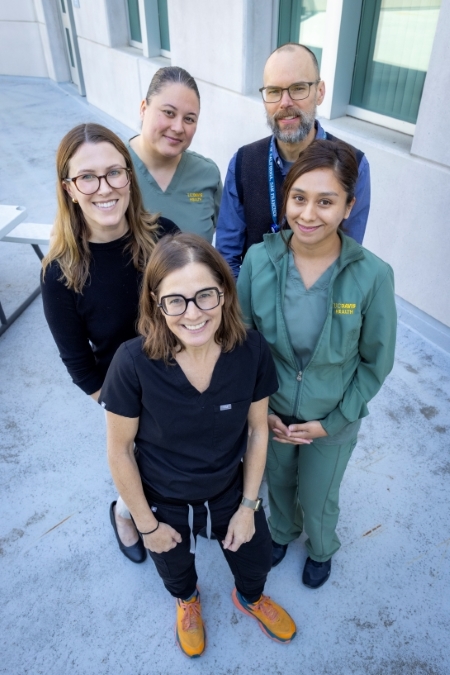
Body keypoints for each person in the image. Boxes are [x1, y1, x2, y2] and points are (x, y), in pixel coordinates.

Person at [99, 233, 296, 658]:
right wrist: (146, 525)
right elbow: (119, 451)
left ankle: (250, 598)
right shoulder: (131, 363)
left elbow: (259, 430)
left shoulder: (251, 351)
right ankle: (187, 601)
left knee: (255, 557)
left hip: (229, 489)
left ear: (224, 292)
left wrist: (248, 507)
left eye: (205, 295)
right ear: (156, 302)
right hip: (164, 497)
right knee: (173, 567)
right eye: (176, 300)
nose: (192, 314)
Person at [237, 139, 396, 589]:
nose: (308, 215)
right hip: (273, 413)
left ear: (349, 206)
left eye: (326, 201)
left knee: (320, 493)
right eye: (299, 198)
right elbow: (243, 345)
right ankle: (283, 533)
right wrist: (259, 412)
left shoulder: (372, 276)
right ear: (285, 198)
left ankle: (322, 548)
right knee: (279, 482)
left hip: (332, 420)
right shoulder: (257, 261)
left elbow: (375, 363)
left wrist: (336, 420)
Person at [41, 123, 178, 565]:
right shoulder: (61, 273)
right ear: (70, 189)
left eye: (115, 173)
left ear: (129, 177)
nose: (105, 187)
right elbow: (80, 365)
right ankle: (125, 513)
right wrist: (123, 408)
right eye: (88, 177)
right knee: (139, 468)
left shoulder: (163, 236)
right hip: (126, 393)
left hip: (183, 374)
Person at [216, 42, 371, 277]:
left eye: (298, 88)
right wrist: (244, 308)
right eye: (274, 91)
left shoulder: (354, 165)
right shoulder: (243, 163)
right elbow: (227, 258)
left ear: (320, 92)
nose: (285, 103)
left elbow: (347, 261)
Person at [128, 66, 222, 244]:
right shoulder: (113, 169)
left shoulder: (207, 175)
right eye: (169, 113)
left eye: (189, 119)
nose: (178, 128)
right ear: (143, 109)